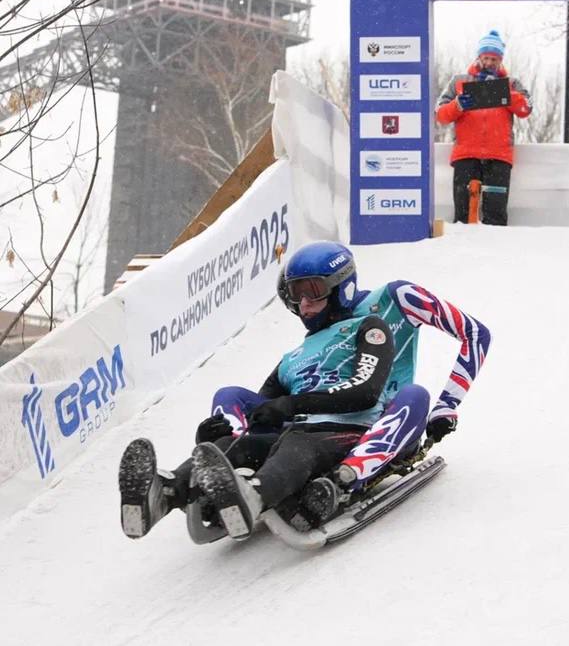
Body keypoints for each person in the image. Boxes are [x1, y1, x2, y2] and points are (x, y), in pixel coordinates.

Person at [119, 240, 491, 541]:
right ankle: (172, 489)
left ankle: (342, 476)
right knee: (235, 402)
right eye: (296, 297)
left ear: (341, 284)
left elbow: (474, 334)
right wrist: (219, 432)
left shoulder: (386, 308)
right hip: (308, 423)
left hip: (371, 419)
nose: (305, 306)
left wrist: (448, 406)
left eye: (313, 292)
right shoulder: (299, 352)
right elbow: (269, 403)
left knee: (413, 398)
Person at [435, 29, 532, 226]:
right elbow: (440, 114)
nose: (489, 63)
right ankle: (460, 250)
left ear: (501, 60)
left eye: (494, 59)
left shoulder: (512, 83)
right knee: (463, 214)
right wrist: (458, 105)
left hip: (499, 157)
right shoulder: (459, 81)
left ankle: (496, 252)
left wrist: (503, 92)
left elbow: (526, 108)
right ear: (478, 57)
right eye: (486, 58)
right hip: (466, 155)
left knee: (495, 214)